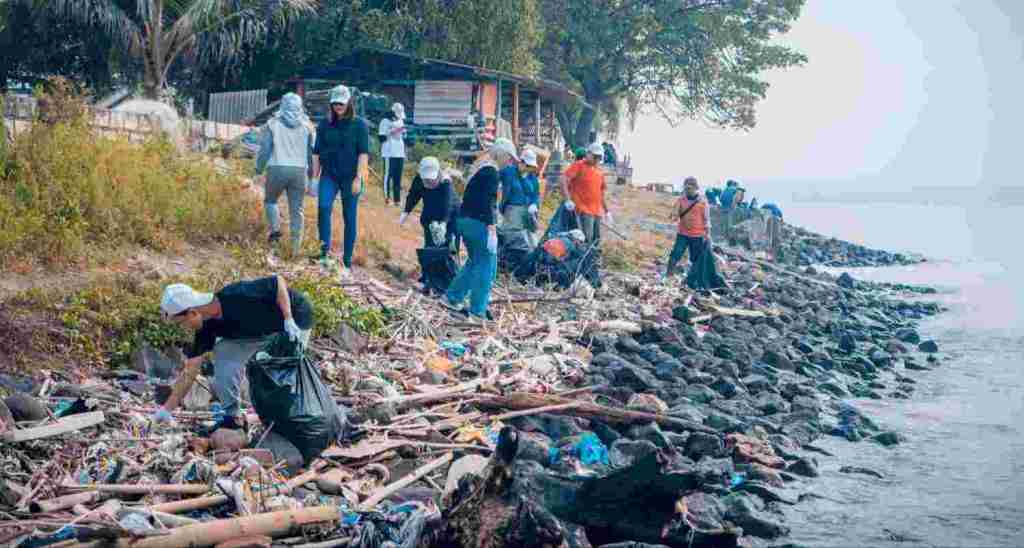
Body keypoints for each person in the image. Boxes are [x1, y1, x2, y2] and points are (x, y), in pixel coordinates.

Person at [152, 276, 314, 428]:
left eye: (181, 323)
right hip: (259, 332)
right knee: (223, 351)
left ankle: (296, 416)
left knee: (281, 372)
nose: (183, 328)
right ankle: (232, 417)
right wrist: (166, 410)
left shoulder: (235, 295)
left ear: (193, 313)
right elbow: (191, 371)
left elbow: (278, 282)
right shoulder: (206, 328)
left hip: (294, 320)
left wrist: (288, 318)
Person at [443, 138, 519, 321]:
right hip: (478, 222)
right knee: (487, 265)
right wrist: (492, 226)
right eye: (509, 158)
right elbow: (488, 202)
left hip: (465, 220)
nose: (510, 163)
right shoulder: (491, 172)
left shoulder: (482, 168)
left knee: (474, 261)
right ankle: (477, 310)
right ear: (502, 154)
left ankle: (452, 297)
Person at [312, 85, 369, 274]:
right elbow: (316, 153)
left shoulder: (359, 125)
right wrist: (314, 178)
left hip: (350, 176)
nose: (338, 106)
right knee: (323, 207)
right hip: (329, 174)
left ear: (349, 103)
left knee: (349, 216)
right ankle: (324, 253)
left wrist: (358, 178)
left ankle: (346, 260)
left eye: (341, 103)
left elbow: (363, 154)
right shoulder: (324, 125)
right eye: (335, 103)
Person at [255, 93, 314, 256]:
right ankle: (295, 248)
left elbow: (265, 150)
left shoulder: (272, 124)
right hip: (299, 171)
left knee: (270, 200)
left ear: (282, 105)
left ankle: (275, 232)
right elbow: (310, 154)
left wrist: (258, 170)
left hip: (277, 168)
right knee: (297, 210)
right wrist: (311, 176)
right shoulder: (307, 126)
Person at [561, 142, 611, 244]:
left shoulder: (599, 172)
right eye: (595, 156)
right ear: (588, 154)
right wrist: (567, 200)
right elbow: (563, 179)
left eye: (599, 157)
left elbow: (601, 194)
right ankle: (581, 259)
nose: (597, 159)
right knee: (585, 239)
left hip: (596, 212)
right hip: (583, 210)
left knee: (596, 240)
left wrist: (607, 212)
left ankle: (593, 259)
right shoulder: (579, 165)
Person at [400, 156, 455, 249]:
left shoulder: (445, 182)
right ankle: (430, 257)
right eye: (426, 179)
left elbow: (448, 204)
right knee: (430, 243)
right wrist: (406, 211)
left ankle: (450, 253)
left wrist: (444, 223)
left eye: (431, 179)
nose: (429, 181)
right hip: (430, 212)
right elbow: (413, 195)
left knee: (447, 243)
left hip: (449, 213)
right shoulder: (418, 179)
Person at [665, 177, 711, 278]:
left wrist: (708, 234)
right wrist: (673, 215)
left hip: (697, 235)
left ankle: (694, 277)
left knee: (695, 258)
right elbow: (675, 214)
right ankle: (669, 274)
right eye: (686, 188)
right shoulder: (681, 200)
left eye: (690, 188)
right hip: (683, 234)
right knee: (676, 254)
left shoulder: (703, 202)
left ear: (695, 188)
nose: (688, 191)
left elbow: (707, 219)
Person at [500, 148, 541, 237]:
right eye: (528, 165)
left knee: (530, 242)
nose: (530, 168)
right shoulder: (509, 171)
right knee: (512, 237)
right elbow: (494, 176)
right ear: (521, 162)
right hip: (513, 211)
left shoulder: (532, 178)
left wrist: (534, 204)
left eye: (531, 167)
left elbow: (536, 194)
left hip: (529, 213)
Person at [379, 102, 407, 206]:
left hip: (400, 152)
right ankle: (387, 198)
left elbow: (404, 136)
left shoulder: (400, 121)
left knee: (397, 177)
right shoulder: (384, 122)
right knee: (388, 176)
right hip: (388, 153)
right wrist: (391, 132)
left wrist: (403, 132)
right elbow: (381, 138)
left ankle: (397, 200)